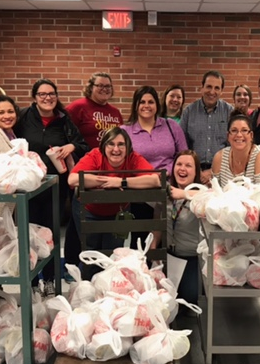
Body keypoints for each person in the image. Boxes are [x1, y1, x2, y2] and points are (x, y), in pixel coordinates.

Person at [14, 78, 89, 296]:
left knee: (50, 234)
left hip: (55, 187)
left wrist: (71, 145)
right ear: (34, 97)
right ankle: (30, 282)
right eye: (42, 94)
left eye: (51, 94)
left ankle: (49, 279)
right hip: (28, 188)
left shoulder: (64, 120)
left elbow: (83, 145)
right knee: (28, 234)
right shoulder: (23, 119)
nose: (48, 98)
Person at [68, 127, 161, 280]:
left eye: (121, 144)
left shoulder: (133, 158)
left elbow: (155, 179)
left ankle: (107, 292)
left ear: (128, 147)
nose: (116, 149)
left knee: (112, 254)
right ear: (104, 146)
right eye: (111, 144)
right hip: (88, 211)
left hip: (117, 213)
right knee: (91, 253)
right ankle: (89, 292)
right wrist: (107, 182)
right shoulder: (95, 155)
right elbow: (73, 179)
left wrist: (121, 181)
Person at [121, 85, 188, 249]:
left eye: (151, 102)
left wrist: (167, 173)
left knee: (170, 239)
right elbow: (121, 162)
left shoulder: (171, 126)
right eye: (142, 101)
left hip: (170, 189)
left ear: (157, 105)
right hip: (141, 194)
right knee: (141, 240)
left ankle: (167, 273)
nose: (146, 105)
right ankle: (141, 272)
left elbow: (184, 155)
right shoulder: (125, 131)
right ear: (135, 105)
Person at [151, 150, 203, 305]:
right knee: (159, 294)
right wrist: (153, 254)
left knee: (189, 297)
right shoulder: (166, 193)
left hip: (191, 258)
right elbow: (157, 227)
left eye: (188, 165)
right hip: (168, 256)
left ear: (196, 172)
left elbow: (213, 195)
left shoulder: (202, 194)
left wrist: (184, 194)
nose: (182, 169)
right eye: (179, 164)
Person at [179, 70, 234, 184]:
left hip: (222, 172)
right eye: (209, 86)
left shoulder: (229, 112)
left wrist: (213, 170)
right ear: (202, 88)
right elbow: (183, 145)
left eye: (217, 88)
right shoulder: (189, 112)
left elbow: (232, 146)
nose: (212, 91)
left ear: (221, 91)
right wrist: (195, 170)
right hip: (193, 172)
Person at [212, 111, 260, 190]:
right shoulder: (219, 157)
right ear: (228, 136)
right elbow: (215, 193)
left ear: (251, 135)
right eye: (234, 130)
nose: (239, 135)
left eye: (244, 130)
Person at [66, 72, 124, 149]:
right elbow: (62, 133)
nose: (104, 89)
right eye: (100, 85)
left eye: (108, 86)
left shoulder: (115, 111)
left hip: (111, 158)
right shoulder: (77, 107)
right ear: (90, 87)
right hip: (85, 158)